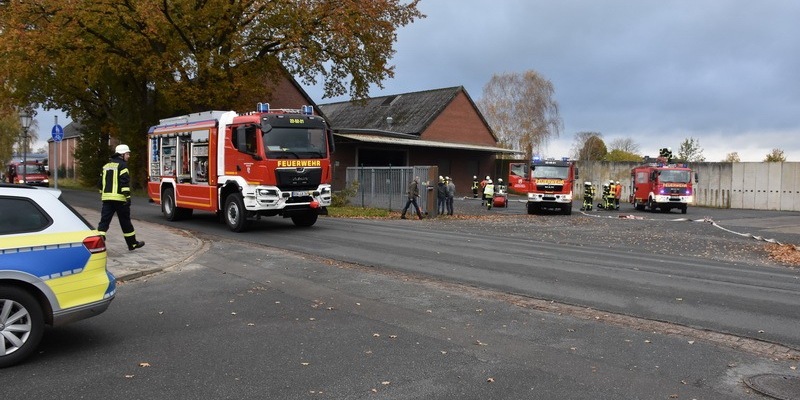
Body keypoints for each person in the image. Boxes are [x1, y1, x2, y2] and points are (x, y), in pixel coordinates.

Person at [98, 144, 145, 250]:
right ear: (122, 154)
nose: (129, 156)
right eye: (127, 154)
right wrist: (127, 198)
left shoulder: (106, 166)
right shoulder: (123, 166)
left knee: (104, 222)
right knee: (125, 222)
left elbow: (100, 184)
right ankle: (132, 244)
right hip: (120, 200)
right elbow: (124, 183)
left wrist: (103, 194)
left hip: (107, 199)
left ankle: (98, 244)